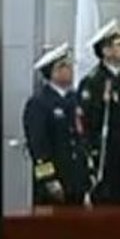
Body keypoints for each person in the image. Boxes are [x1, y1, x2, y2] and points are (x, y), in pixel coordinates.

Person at [78, 19, 120, 205]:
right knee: (108, 203)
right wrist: (92, 153)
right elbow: (87, 122)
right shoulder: (94, 81)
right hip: (107, 154)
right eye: (119, 45)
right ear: (106, 51)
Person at [22, 43, 92, 206]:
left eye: (69, 65)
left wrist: (88, 173)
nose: (69, 69)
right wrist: (48, 179)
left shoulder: (75, 99)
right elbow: (38, 147)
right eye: (63, 66)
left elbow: (81, 136)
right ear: (52, 73)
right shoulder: (39, 103)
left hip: (76, 181)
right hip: (54, 182)